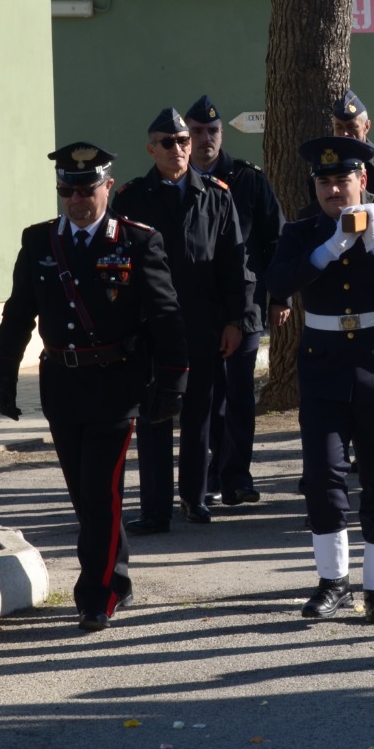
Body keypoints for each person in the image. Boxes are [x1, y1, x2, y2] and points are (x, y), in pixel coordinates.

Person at [0, 142, 188, 632]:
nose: (78, 200)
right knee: (86, 495)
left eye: (87, 189)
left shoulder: (137, 241)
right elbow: (18, 314)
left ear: (108, 188)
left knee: (102, 494)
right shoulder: (39, 242)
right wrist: (4, 376)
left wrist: (171, 382)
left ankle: (95, 595)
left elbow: (165, 316)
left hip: (115, 386)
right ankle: (116, 576)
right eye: (68, 191)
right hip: (62, 384)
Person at [265, 137, 374, 625]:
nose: (334, 189)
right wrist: (328, 249)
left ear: (363, 181)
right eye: (325, 182)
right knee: (322, 477)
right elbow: (278, 282)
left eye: (343, 180)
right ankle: (333, 581)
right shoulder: (301, 232)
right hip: (326, 365)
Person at [115, 108, 251, 533]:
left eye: (184, 141)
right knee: (155, 415)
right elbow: (116, 266)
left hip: (201, 323)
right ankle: (156, 508)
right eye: (169, 142)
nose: (179, 149)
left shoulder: (216, 194)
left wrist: (235, 321)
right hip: (149, 328)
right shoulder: (132, 197)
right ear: (151, 148)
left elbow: (235, 264)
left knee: (199, 414)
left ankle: (195, 497)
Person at [185, 94, 285, 507]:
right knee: (206, 393)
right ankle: (208, 470)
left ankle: (237, 475)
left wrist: (279, 298)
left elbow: (276, 239)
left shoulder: (247, 179)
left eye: (212, 131)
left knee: (240, 391)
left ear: (222, 134)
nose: (205, 138)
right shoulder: (177, 181)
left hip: (245, 304)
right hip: (197, 307)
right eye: (197, 132)